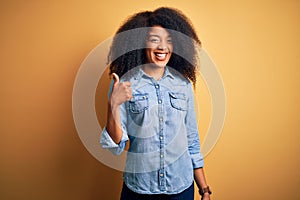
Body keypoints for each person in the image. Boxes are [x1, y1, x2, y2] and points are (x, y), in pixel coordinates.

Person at [100, 7, 212, 200]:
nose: (162, 47)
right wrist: (114, 105)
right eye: (155, 40)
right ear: (141, 43)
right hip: (139, 190)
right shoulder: (124, 84)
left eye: (169, 40)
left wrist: (204, 189)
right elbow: (116, 146)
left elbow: (192, 140)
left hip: (181, 188)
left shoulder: (182, 84)